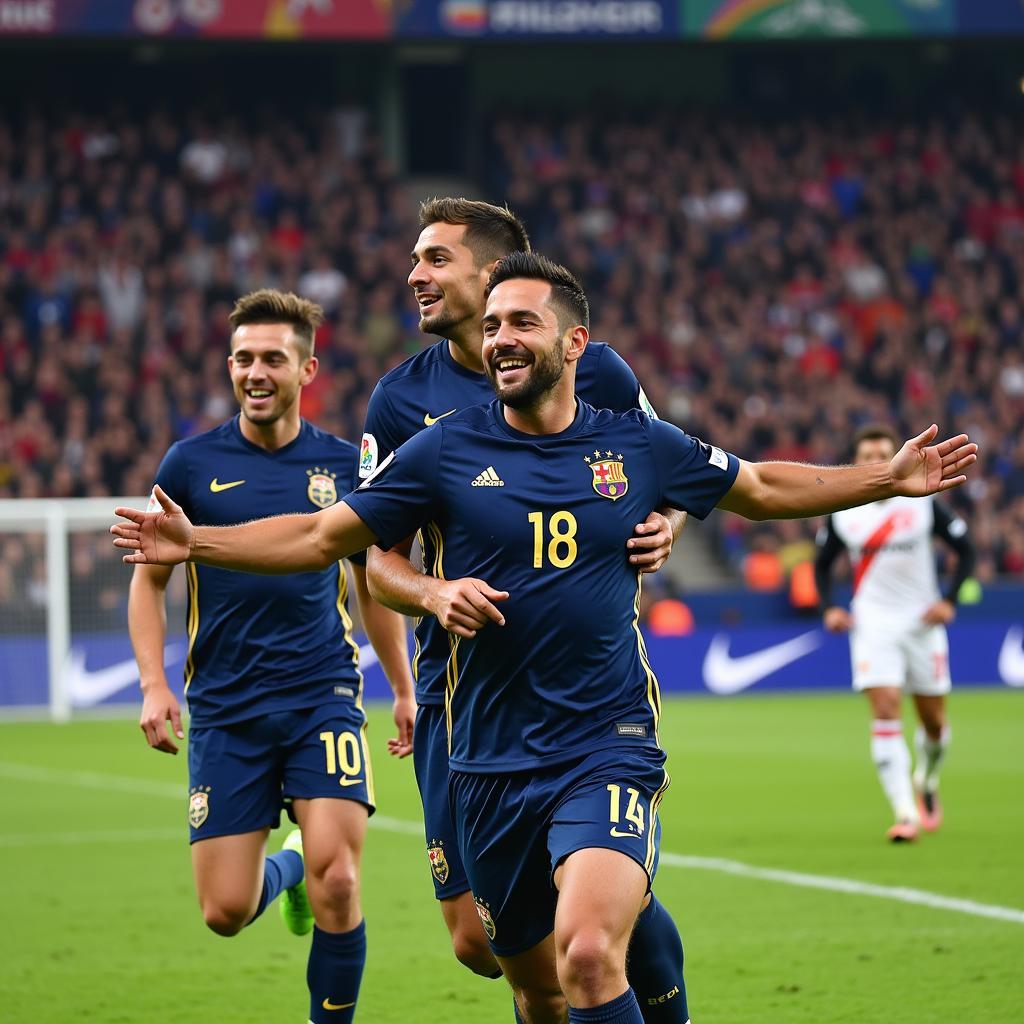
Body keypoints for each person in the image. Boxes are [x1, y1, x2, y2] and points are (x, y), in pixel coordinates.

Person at [112, 254, 976, 1024]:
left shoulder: (636, 442)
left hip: (604, 744)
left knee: (592, 954)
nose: (500, 339)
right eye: (491, 326)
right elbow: (320, 539)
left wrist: (881, 480)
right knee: (532, 989)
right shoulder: (441, 450)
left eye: (522, 322)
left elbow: (757, 485)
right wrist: (200, 544)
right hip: (486, 762)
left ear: (575, 344)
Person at [359, 197, 691, 1021]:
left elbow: (672, 470)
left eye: (436, 260)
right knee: (480, 941)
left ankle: (623, 939)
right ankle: (615, 913)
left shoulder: (600, 371)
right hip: (461, 693)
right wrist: (432, 595)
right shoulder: (401, 402)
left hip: (583, 691)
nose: (415, 276)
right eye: (416, 259)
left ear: (493, 270)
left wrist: (666, 523)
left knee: (582, 940)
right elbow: (372, 554)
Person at [127, 288, 415, 1024]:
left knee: (341, 882)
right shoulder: (190, 465)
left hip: (321, 694)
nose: (257, 372)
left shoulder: (345, 466)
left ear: (306, 368)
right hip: (225, 706)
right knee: (224, 910)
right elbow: (149, 580)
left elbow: (372, 585)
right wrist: (155, 685)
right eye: (245, 359)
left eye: (274, 359)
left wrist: (405, 689)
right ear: (229, 366)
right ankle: (283, 870)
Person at [814, 424, 976, 842]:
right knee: (885, 709)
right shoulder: (842, 510)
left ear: (894, 455)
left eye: (882, 453)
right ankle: (905, 814)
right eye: (866, 454)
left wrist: (950, 599)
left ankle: (928, 777)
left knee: (934, 723)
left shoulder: (922, 501)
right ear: (856, 460)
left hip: (922, 624)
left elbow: (966, 549)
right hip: (873, 624)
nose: (874, 460)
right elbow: (821, 563)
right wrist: (830, 607)